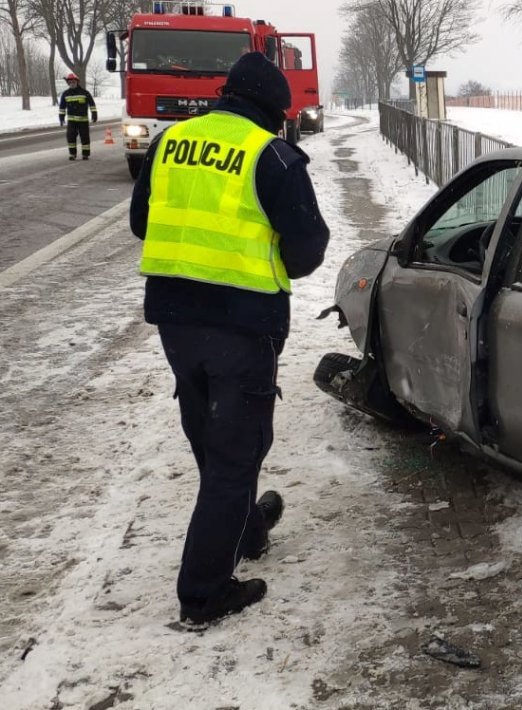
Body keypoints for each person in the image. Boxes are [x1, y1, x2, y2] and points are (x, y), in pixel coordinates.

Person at [129, 51, 329, 628]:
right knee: (235, 457)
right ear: (273, 110)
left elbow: (143, 222)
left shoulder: (171, 142)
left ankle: (246, 530)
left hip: (176, 324)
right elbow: (309, 247)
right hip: (242, 326)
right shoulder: (271, 156)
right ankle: (203, 593)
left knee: (212, 440)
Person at [58, 72, 98, 161]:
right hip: (71, 121)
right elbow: (62, 107)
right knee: (70, 137)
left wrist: (94, 114)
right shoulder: (65, 94)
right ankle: (72, 154)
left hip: (83, 120)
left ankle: (85, 154)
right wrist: (61, 118)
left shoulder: (85, 93)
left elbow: (92, 104)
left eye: (73, 81)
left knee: (84, 137)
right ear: (68, 83)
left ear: (77, 82)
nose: (72, 83)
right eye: (70, 82)